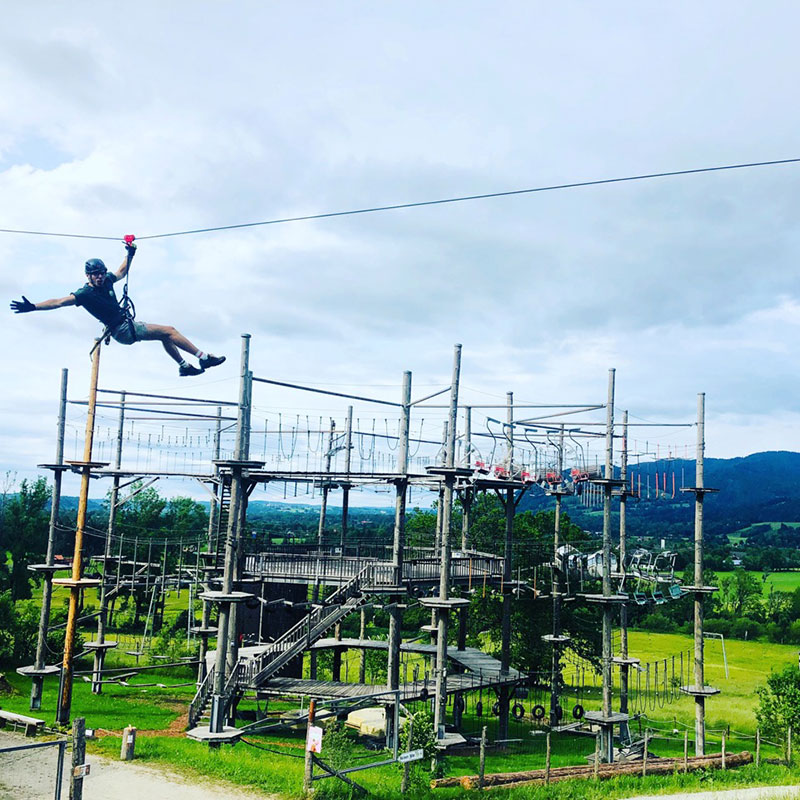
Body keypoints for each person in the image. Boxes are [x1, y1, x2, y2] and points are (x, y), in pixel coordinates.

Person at [9, 241, 224, 377]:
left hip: (125, 325)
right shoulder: (85, 294)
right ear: (88, 276)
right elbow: (58, 301)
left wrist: (130, 254)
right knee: (170, 330)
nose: (101, 277)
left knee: (165, 337)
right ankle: (203, 357)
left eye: (102, 273)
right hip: (121, 330)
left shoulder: (108, 281)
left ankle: (184, 365)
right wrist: (33, 307)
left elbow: (121, 271)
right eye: (96, 274)